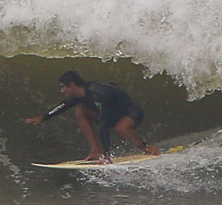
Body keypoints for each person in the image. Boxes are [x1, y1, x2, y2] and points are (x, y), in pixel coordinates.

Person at [25, 70, 161, 164]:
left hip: (131, 113)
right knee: (80, 110)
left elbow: (103, 124)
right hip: (114, 115)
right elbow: (65, 105)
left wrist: (107, 156)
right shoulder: (82, 93)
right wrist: (44, 117)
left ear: (72, 85)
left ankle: (145, 148)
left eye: (63, 87)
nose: (62, 91)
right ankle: (96, 150)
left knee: (121, 128)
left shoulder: (98, 94)